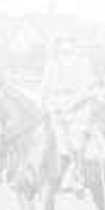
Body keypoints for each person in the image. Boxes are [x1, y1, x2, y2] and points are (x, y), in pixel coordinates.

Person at [40, 36, 97, 193]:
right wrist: (48, 104)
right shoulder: (51, 64)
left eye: (68, 50)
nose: (64, 53)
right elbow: (45, 88)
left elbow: (86, 90)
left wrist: (70, 106)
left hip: (79, 108)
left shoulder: (83, 63)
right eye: (61, 50)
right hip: (55, 107)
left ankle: (79, 177)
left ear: (74, 49)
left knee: (76, 140)